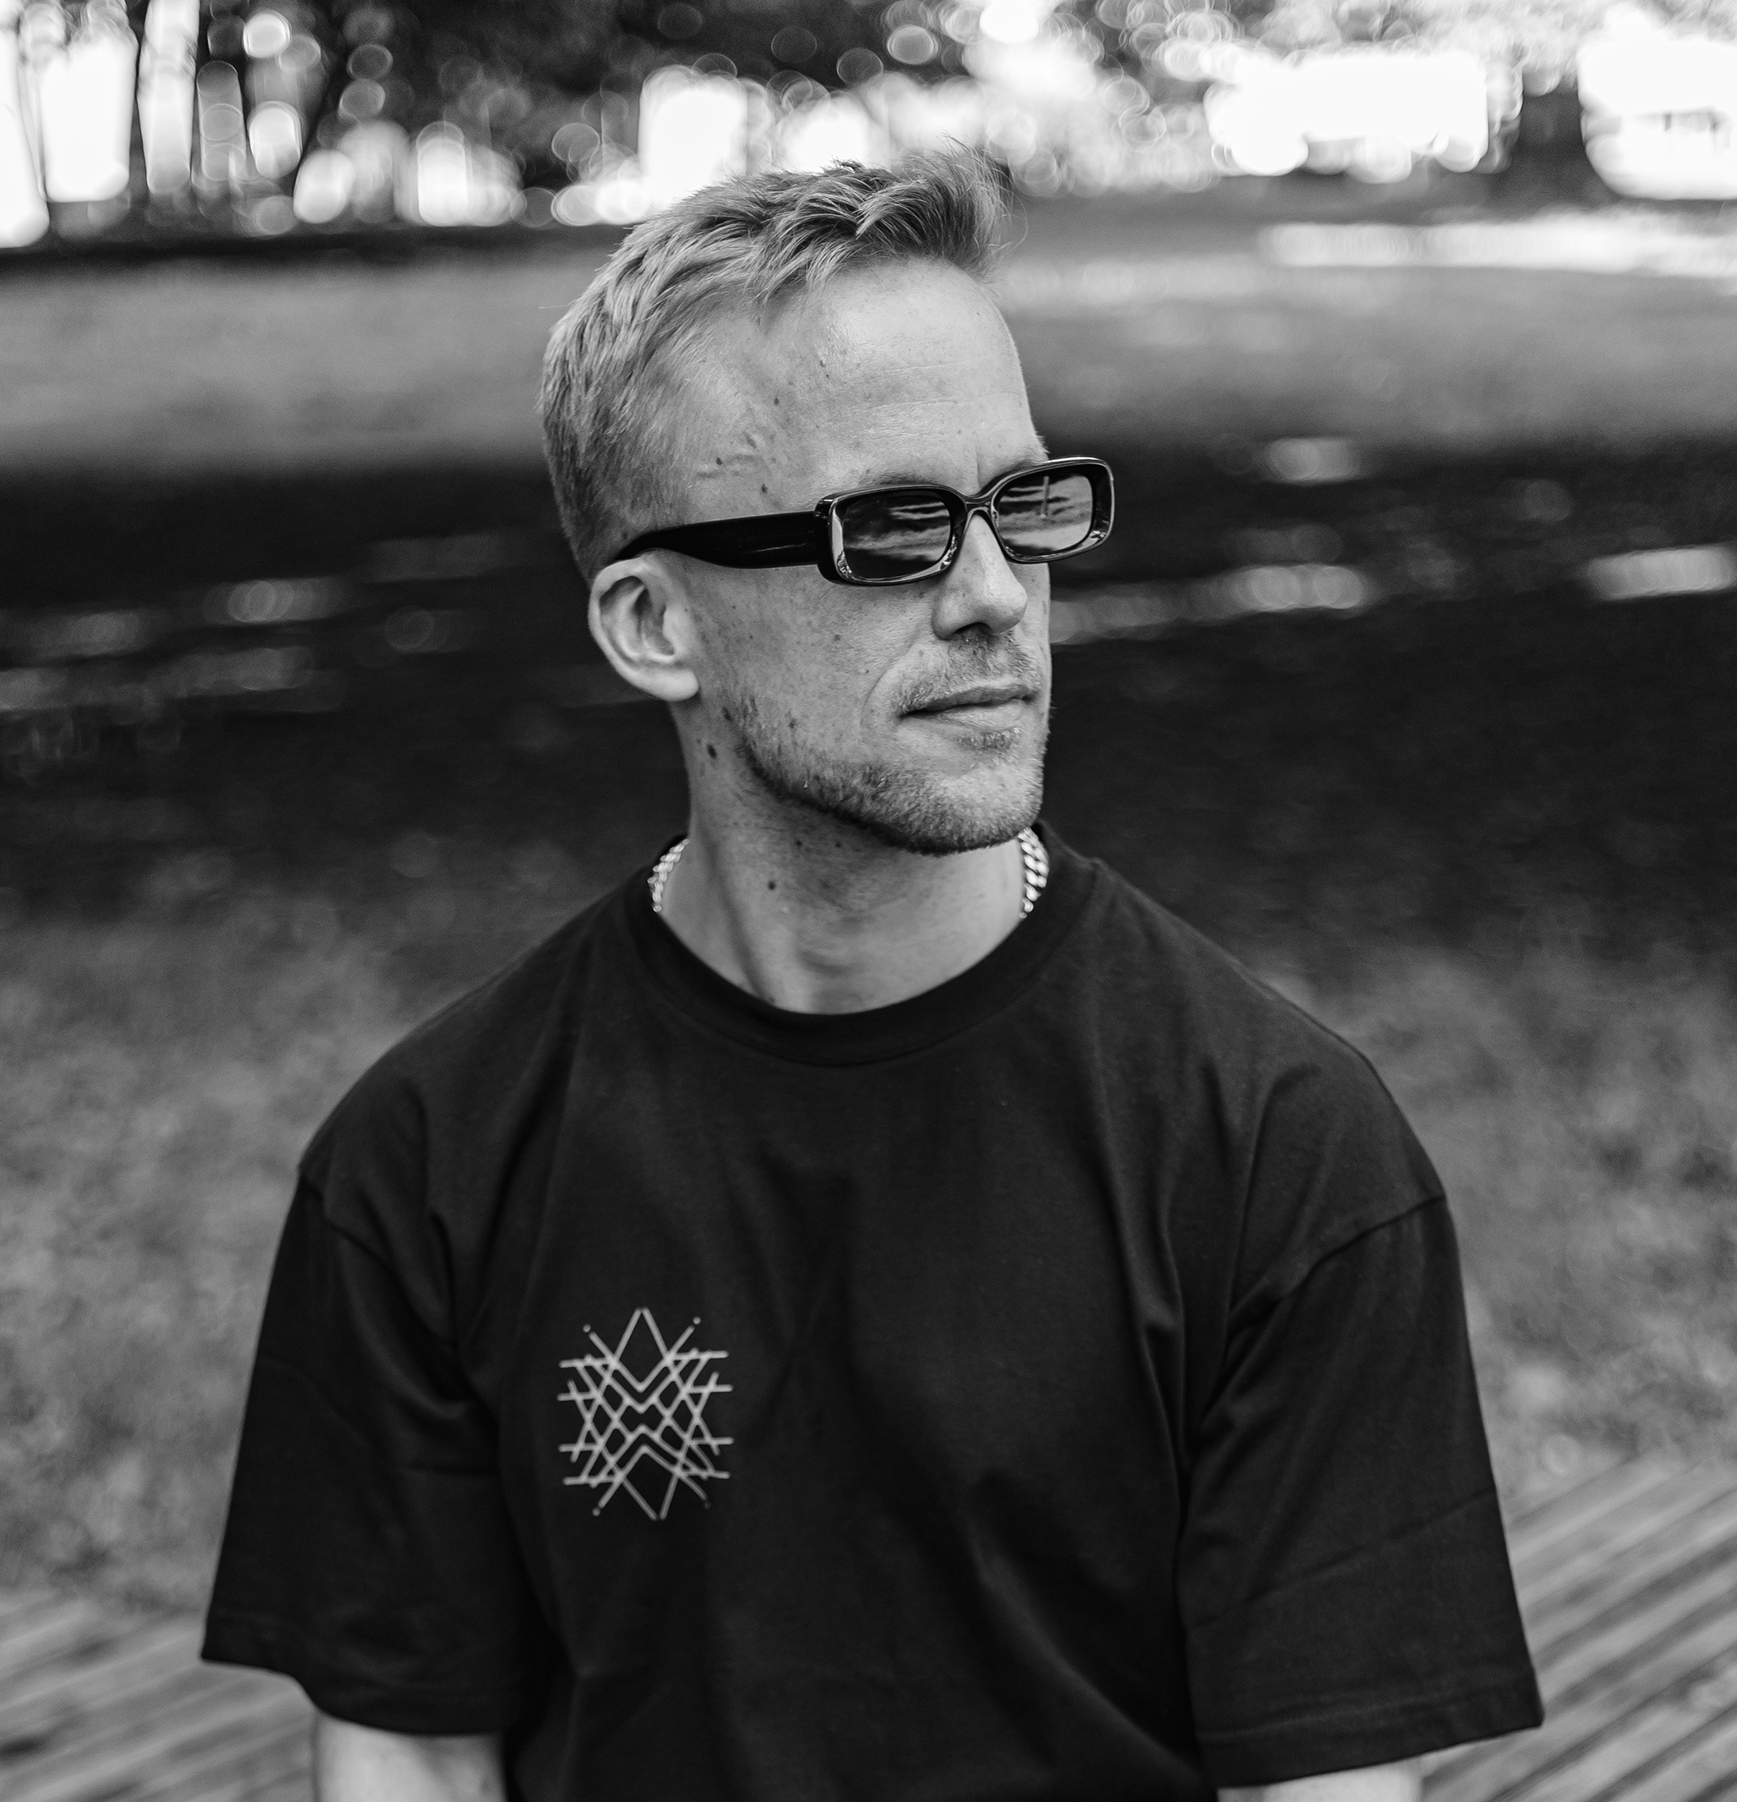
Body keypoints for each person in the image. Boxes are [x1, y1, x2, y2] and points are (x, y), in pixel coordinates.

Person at [203, 152, 1542, 1802]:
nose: (993, 599)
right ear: (653, 623)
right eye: (889, 529)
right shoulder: (428, 1164)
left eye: (1025, 507)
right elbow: (411, 1749)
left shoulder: (1277, 1149)